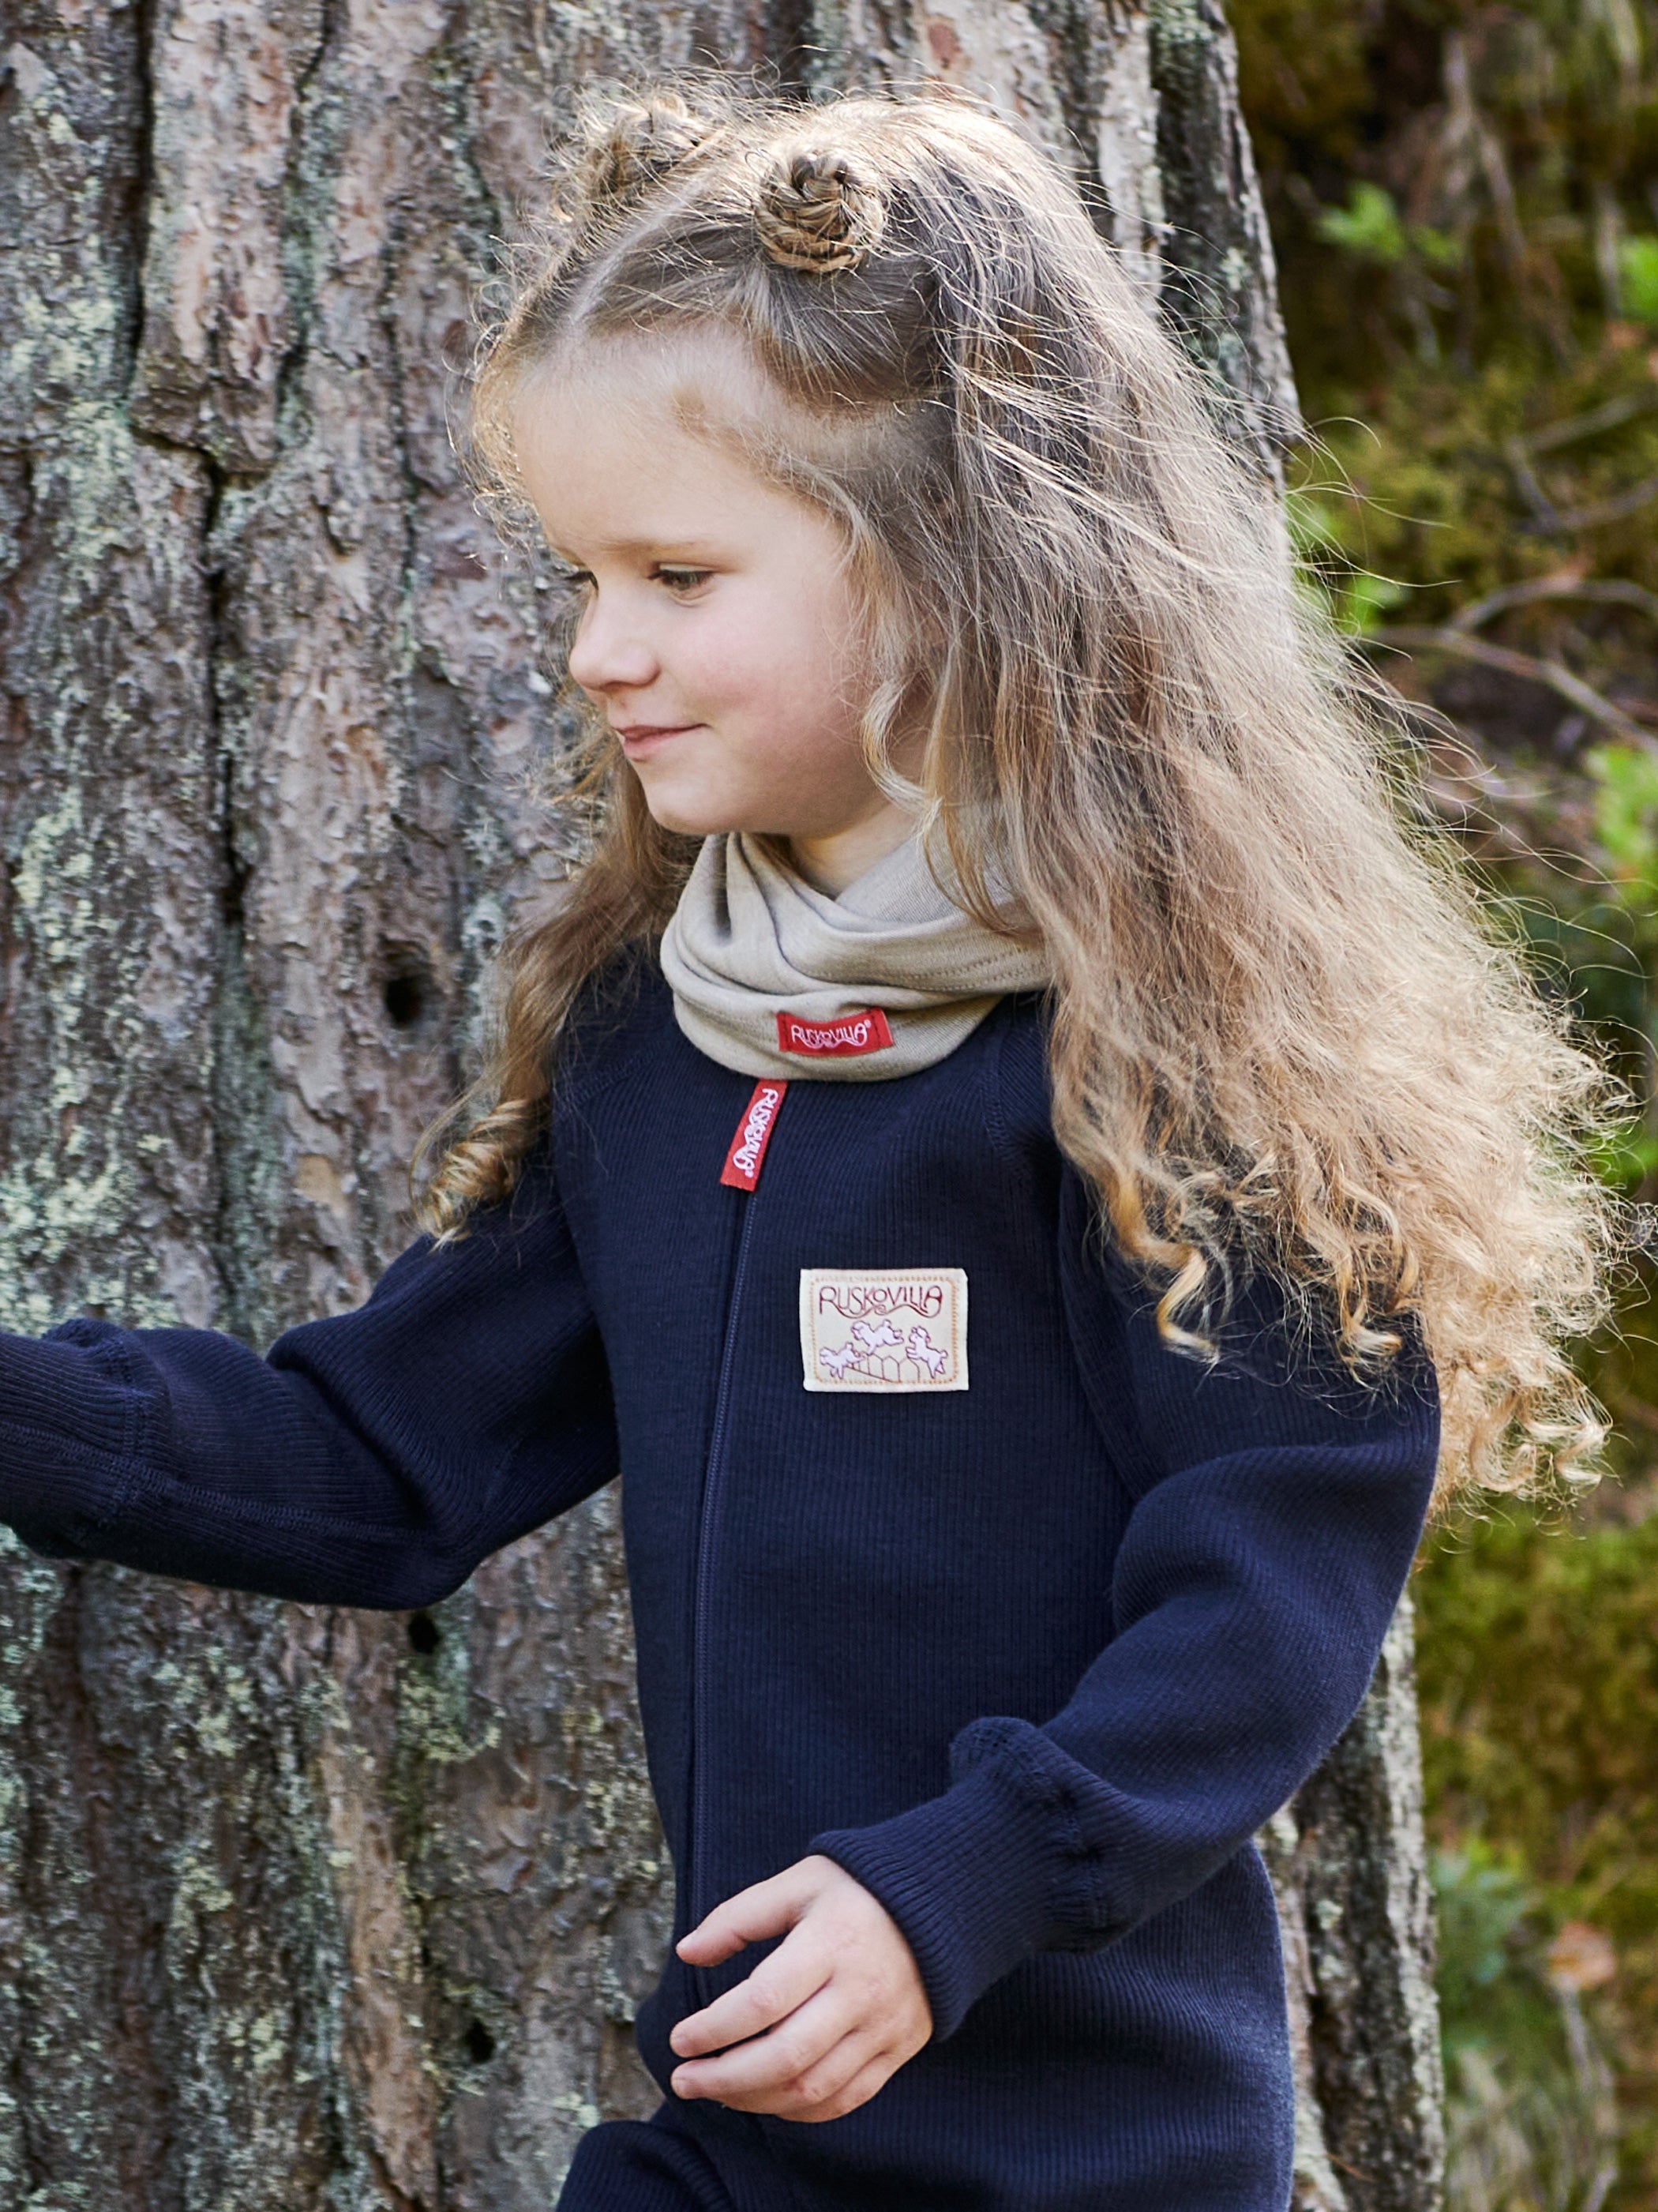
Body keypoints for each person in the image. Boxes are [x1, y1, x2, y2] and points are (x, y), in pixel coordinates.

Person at [0, 77, 1619, 2212]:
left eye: (676, 571)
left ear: (960, 564)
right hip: (755, 2137)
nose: (598, 650)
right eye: (584, 573)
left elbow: (1266, 1593)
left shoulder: (1162, 1056)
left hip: (1095, 2162)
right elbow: (376, 1461)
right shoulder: (661, 1042)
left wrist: (950, 1888)